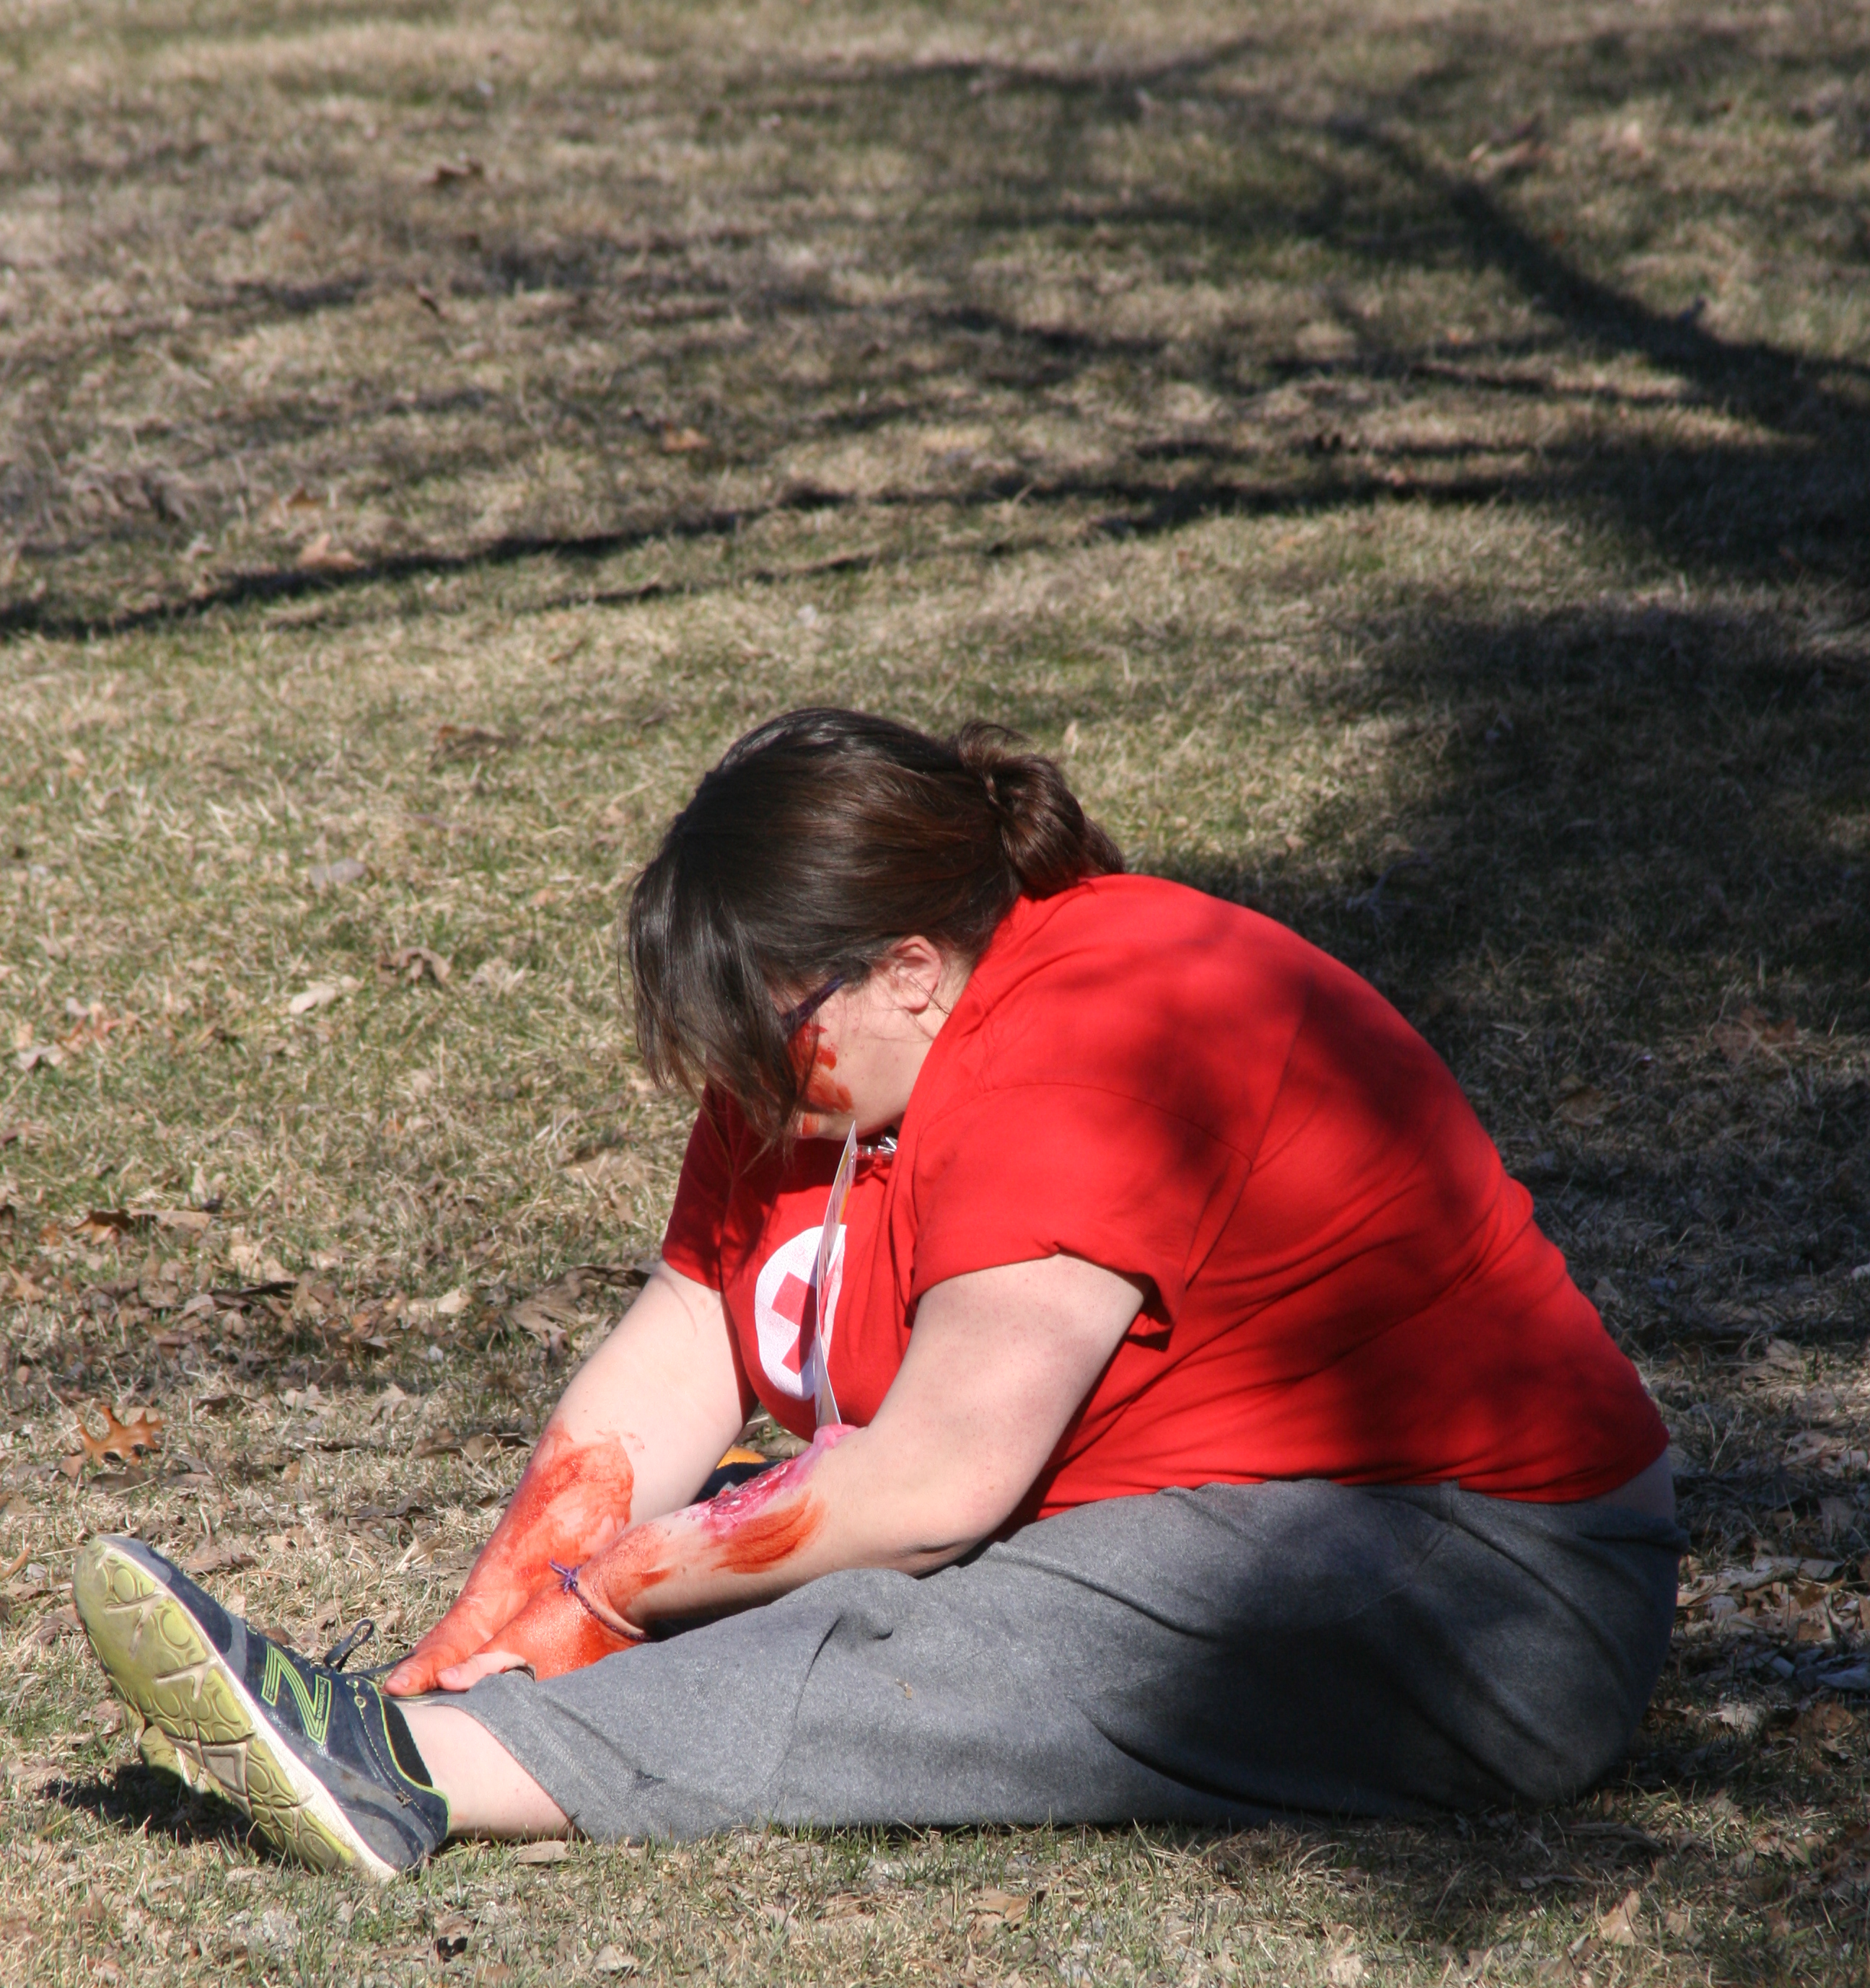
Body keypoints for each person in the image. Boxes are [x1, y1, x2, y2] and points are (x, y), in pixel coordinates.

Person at [76, 709, 1682, 1883]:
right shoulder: (818, 1061)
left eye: (765, 1038)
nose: (745, 1091)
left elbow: (930, 1489)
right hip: (1151, 1525)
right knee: (828, 1555)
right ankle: (404, 1723)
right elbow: (680, 1353)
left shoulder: (1098, 1028)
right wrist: (483, 1627)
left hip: (1483, 1592)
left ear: (910, 967)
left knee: (932, 1610)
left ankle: (422, 1780)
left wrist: (610, 1600)